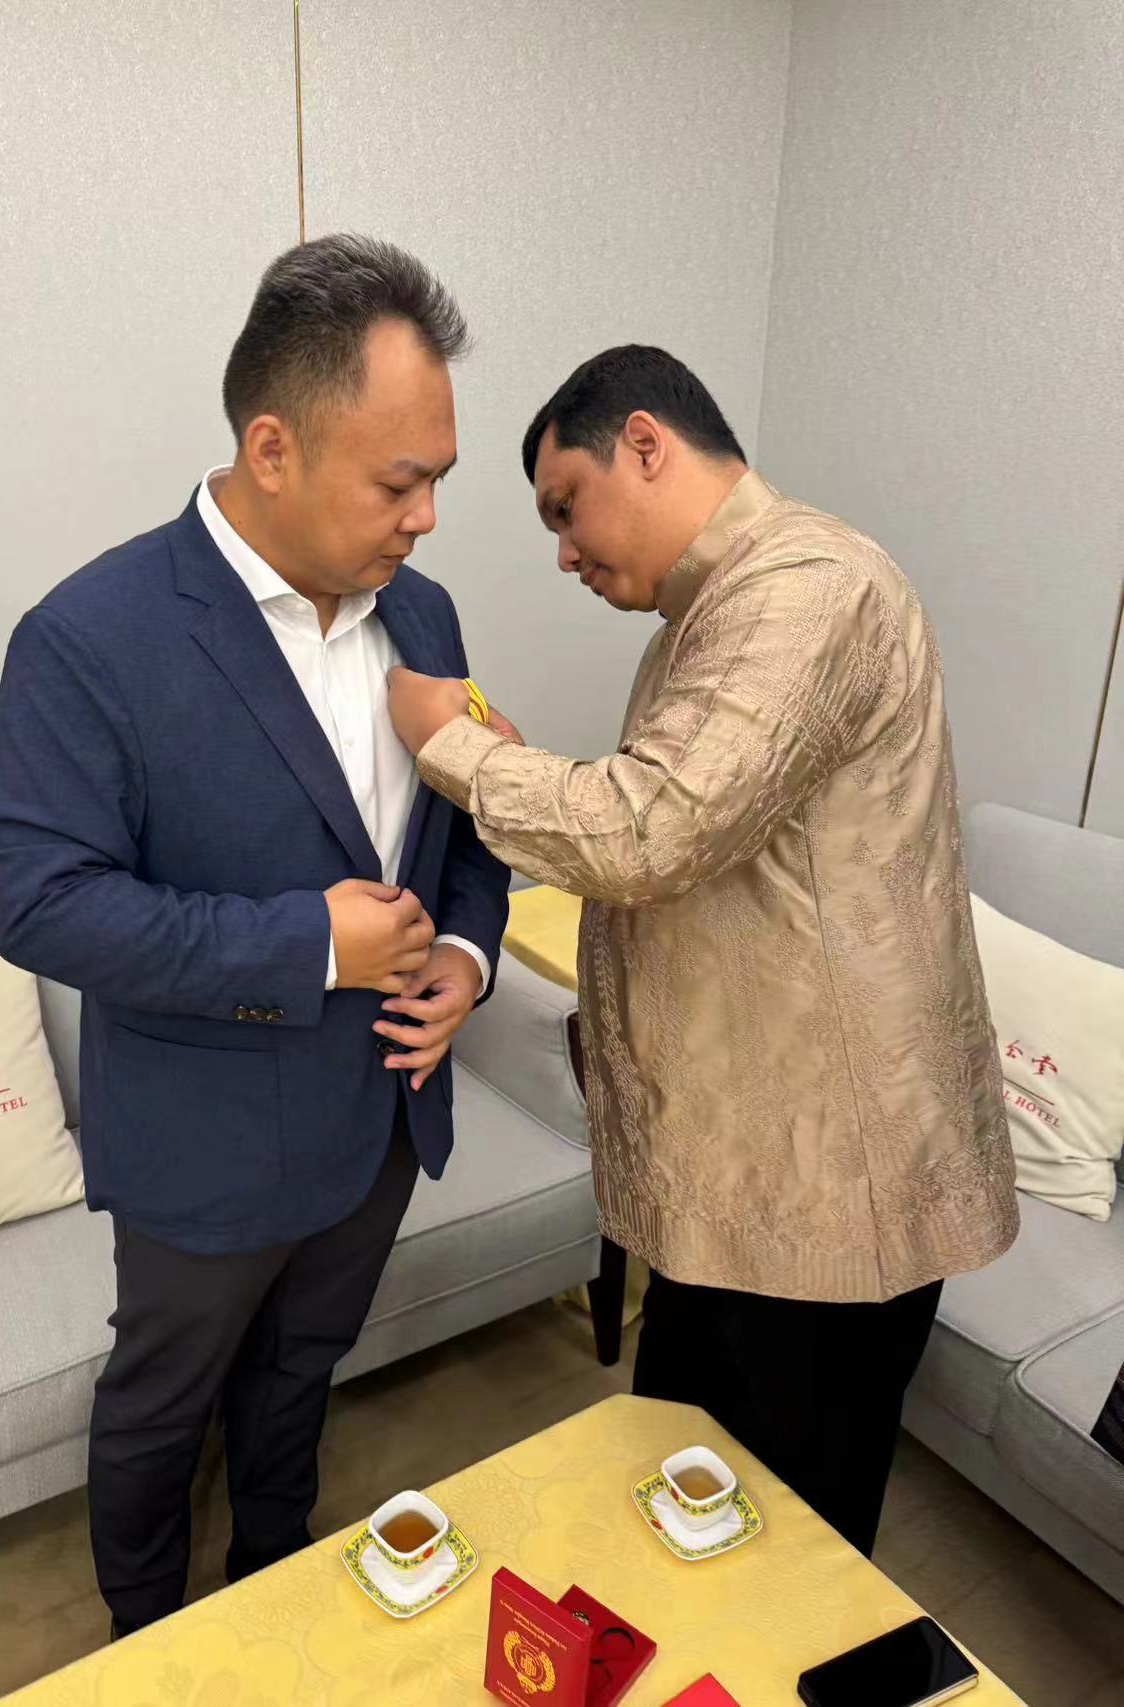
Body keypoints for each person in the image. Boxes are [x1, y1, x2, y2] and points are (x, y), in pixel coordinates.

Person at [387, 344, 1018, 1556]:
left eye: (564, 509)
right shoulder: (705, 616)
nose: (563, 553)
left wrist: (450, 748)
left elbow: (648, 831)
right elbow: (688, 820)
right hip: (739, 1178)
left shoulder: (807, 588)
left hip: (823, 1197)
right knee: (685, 1508)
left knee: (789, 1556)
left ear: (643, 443)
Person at [0, 235, 509, 1634]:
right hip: (203, 1141)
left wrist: (464, 959)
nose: (427, 519)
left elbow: (469, 836)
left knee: (301, 1372)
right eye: (398, 482)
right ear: (273, 447)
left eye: (438, 479)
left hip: (381, 1115)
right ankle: (145, 1636)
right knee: (163, 1406)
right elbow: (31, 893)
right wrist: (306, 946)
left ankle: (277, 1575)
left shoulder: (425, 616)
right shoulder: (92, 635)